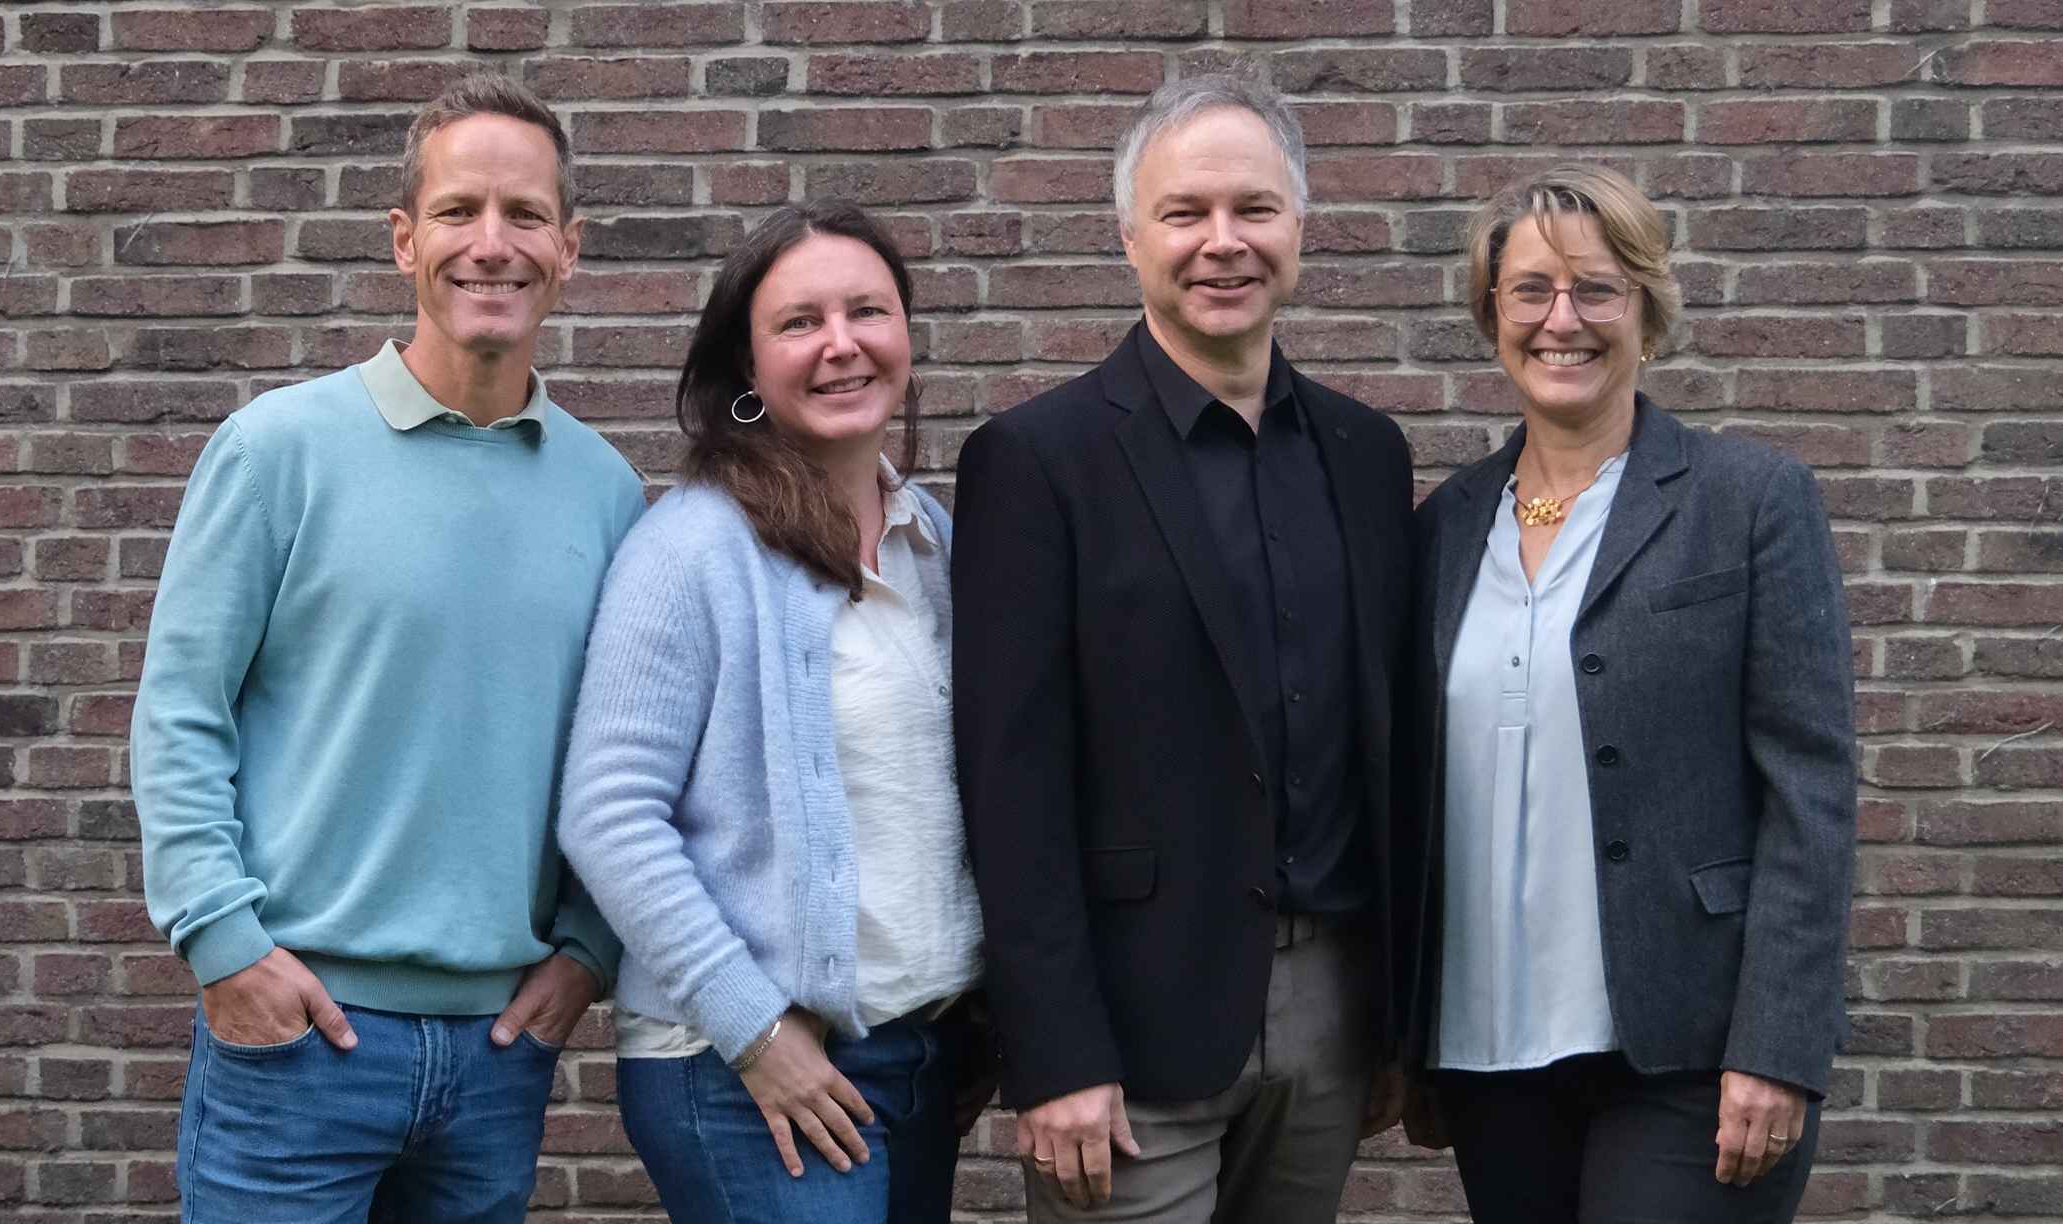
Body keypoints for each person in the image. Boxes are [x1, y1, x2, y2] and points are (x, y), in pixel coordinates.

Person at [130, 75, 641, 1220]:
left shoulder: (606, 491)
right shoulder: (277, 451)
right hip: (297, 1044)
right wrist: (222, 944)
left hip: (498, 1058)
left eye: (524, 215)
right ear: (405, 240)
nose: (491, 244)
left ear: (568, 248)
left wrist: (587, 952)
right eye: (458, 211)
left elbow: (624, 752)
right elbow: (180, 711)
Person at [952, 74, 1416, 1223]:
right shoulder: (1036, 462)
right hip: (1126, 1034)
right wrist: (1053, 1050)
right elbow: (1009, 787)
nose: (1222, 242)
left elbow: (1385, 745)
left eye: (1253, 208)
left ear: (1299, 226)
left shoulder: (1367, 454)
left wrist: (1395, 1021)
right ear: (1128, 237)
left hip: (1332, 1020)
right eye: (1183, 213)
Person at [1409, 164, 1857, 1223]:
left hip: (1690, 1049)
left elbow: (1810, 789)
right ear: (1491, 315)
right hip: (1491, 1054)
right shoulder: (1442, 527)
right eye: (1530, 290)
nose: (1560, 320)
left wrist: (1777, 1047)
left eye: (1596, 289)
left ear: (1646, 311)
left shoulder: (1747, 501)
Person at [556, 199, 988, 1224]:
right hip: (744, 1072)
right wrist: (753, 1028)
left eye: (867, 311)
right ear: (746, 368)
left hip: (918, 1057)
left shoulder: (934, 540)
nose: (841, 344)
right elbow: (607, 814)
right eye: (799, 322)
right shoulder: (694, 549)